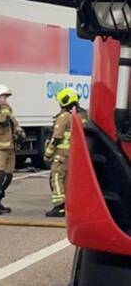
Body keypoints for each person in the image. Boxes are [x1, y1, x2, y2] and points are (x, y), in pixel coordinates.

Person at [44, 88, 88, 217]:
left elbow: (57, 137)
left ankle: (59, 206)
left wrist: (48, 154)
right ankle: (68, 205)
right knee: (68, 180)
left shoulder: (64, 117)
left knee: (56, 178)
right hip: (73, 154)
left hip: (61, 154)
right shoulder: (81, 116)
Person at [0, 84, 26, 215]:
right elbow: (3, 121)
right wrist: (4, 108)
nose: (6, 100)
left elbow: (13, 123)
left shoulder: (7, 110)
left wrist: (20, 132)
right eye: (3, 96)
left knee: (8, 176)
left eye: (6, 97)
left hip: (10, 148)